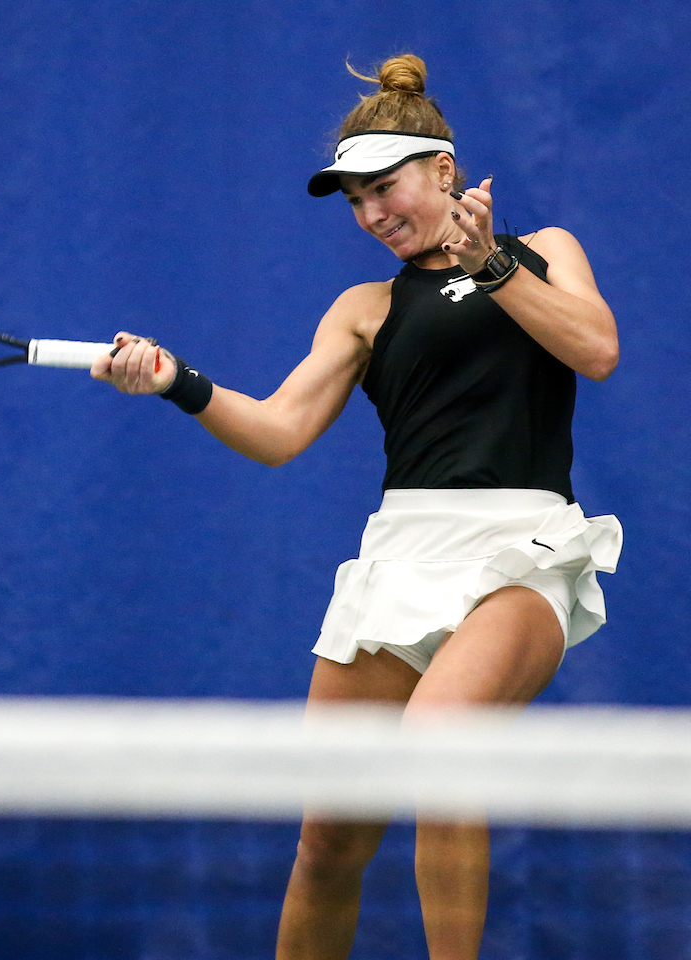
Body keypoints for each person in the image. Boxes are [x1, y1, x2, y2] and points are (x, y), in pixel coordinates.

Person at [90, 54, 623, 960]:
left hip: (524, 554)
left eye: (387, 186)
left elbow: (596, 349)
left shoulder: (547, 251)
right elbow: (280, 429)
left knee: (442, 748)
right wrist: (178, 382)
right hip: (400, 561)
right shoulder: (364, 308)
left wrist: (493, 261)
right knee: (328, 841)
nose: (373, 213)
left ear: (444, 171)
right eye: (355, 198)